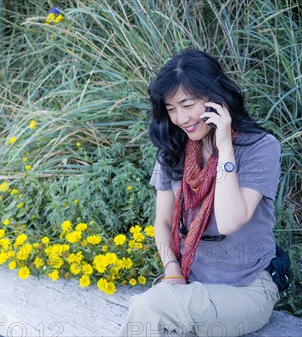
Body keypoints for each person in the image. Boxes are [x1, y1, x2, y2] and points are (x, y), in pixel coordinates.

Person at [119, 49, 281, 336]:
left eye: (187, 104)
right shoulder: (174, 149)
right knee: (151, 313)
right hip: (190, 283)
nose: (180, 118)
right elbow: (164, 223)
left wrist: (225, 147)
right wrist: (172, 270)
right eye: (170, 109)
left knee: (149, 308)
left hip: (246, 290)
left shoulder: (260, 147)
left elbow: (231, 221)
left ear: (216, 98)